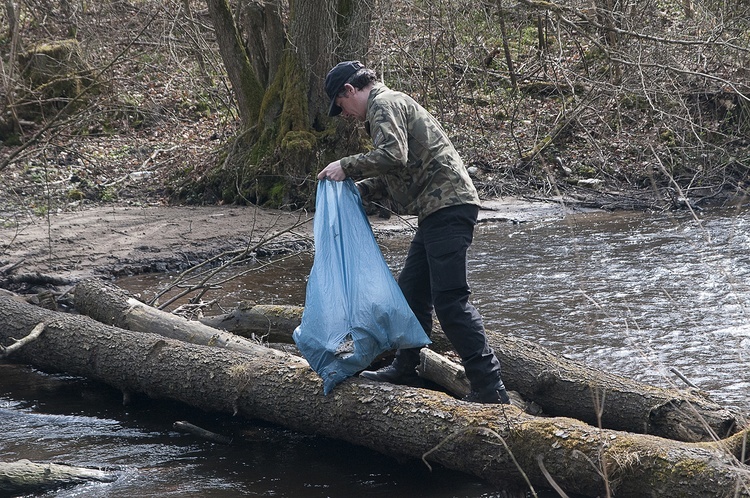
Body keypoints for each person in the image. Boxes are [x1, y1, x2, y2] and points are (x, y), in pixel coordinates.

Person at [317, 61, 510, 404]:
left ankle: (490, 388)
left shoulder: (383, 104)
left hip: (447, 208)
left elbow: (392, 154)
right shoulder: (387, 104)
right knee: (410, 294)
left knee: (450, 300)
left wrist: (345, 167)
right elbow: (401, 168)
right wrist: (359, 191)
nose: (344, 114)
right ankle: (406, 368)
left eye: (341, 105)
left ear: (349, 90)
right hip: (439, 208)